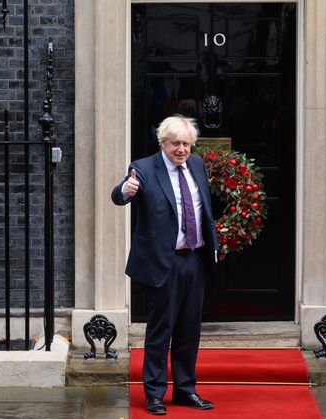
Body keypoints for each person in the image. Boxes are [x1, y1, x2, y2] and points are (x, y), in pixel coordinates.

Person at [112, 115, 219, 415]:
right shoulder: (144, 168)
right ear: (163, 143)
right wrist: (126, 190)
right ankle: (155, 394)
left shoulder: (197, 165)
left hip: (194, 260)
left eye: (186, 144)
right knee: (161, 331)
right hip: (163, 262)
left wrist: (213, 245)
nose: (182, 149)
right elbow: (118, 195)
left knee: (189, 330)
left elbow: (203, 210)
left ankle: (186, 389)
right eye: (175, 144)